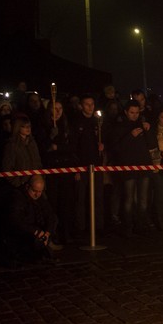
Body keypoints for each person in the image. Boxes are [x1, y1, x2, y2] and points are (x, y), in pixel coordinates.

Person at [112, 100, 155, 235]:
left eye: (137, 113)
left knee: (143, 199)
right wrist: (131, 136)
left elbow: (152, 144)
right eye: (132, 113)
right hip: (128, 167)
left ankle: (141, 225)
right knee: (129, 198)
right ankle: (128, 226)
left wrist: (148, 130)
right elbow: (116, 148)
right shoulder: (119, 127)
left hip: (143, 166)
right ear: (126, 112)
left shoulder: (142, 125)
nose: (134, 115)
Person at [37, 99, 77, 243]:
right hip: (51, 169)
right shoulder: (43, 126)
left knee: (66, 202)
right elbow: (42, 148)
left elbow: (73, 147)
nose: (58, 111)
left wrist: (58, 147)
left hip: (66, 168)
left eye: (60, 108)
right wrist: (51, 137)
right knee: (53, 202)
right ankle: (52, 232)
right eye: (55, 108)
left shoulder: (67, 126)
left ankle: (66, 231)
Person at [5, 175, 61, 265]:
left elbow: (50, 215)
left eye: (40, 192)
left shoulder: (40, 197)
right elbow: (16, 220)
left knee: (54, 220)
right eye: (34, 191)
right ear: (28, 187)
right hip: (22, 233)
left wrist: (47, 233)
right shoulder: (18, 197)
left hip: (36, 230)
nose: (37, 194)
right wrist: (36, 232)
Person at [70, 94, 105, 234]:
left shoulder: (98, 122)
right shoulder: (77, 123)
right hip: (81, 165)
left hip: (96, 165)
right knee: (81, 198)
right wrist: (76, 169)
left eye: (92, 104)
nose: (90, 107)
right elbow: (73, 147)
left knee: (98, 196)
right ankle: (81, 227)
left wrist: (102, 146)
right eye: (87, 104)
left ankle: (98, 227)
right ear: (81, 106)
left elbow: (103, 139)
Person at [2, 116, 42, 189]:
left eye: (29, 126)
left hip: (35, 183)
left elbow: (38, 161)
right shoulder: (12, 145)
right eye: (24, 126)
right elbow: (7, 168)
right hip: (21, 186)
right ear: (17, 127)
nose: (28, 128)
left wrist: (40, 178)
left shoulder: (32, 143)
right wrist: (18, 182)